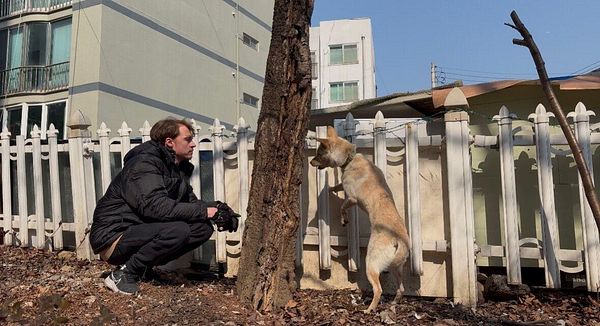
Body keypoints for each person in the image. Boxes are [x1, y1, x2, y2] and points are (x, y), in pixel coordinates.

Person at [90, 118, 238, 295]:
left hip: (138, 229)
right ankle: (124, 274)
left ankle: (143, 270)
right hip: (114, 236)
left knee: (202, 228)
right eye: (187, 139)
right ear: (169, 142)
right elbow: (156, 208)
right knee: (178, 230)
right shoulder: (143, 164)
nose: (193, 145)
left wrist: (218, 209)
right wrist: (206, 211)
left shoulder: (174, 169)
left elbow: (190, 204)